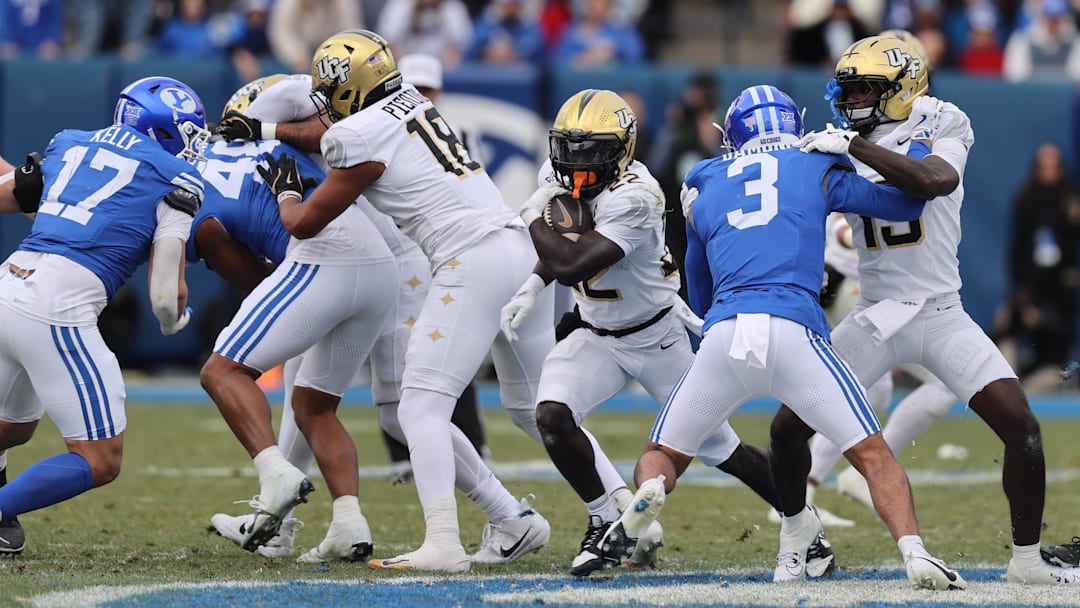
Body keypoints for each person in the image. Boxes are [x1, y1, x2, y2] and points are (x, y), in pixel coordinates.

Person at [595, 83, 965, 590]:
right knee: (872, 454)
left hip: (726, 332)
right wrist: (916, 146)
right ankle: (914, 551)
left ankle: (653, 488)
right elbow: (905, 205)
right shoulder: (814, 162)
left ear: (733, 134)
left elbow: (699, 286)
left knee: (664, 451)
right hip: (794, 329)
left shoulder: (703, 178)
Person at [218, 32, 556, 571]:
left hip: (408, 269)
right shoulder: (396, 110)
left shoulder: (356, 128)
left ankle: (505, 516)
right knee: (312, 395)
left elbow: (314, 182)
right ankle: (284, 521)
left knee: (406, 410)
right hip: (399, 264)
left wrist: (269, 143)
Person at [788, 34, 1079, 585]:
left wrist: (854, 148)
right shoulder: (839, 141)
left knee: (1022, 429)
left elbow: (934, 180)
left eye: (865, 89)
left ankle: (1026, 562)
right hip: (874, 313)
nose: (852, 101)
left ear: (902, 88)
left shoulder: (942, 119)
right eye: (848, 90)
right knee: (786, 430)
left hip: (941, 311)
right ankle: (798, 538)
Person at [502, 88, 829, 578]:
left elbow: (571, 262)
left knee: (725, 452)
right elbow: (561, 246)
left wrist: (531, 215)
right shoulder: (561, 175)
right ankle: (603, 516)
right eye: (569, 147)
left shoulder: (637, 195)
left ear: (622, 148)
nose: (576, 161)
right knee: (551, 414)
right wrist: (532, 284)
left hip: (657, 337)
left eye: (591, 150)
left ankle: (807, 527)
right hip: (595, 332)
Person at [0, 76, 206, 553]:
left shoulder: (68, 143)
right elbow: (164, 295)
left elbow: (14, 192)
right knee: (100, 458)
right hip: (58, 305)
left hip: (9, 281)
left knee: (12, 428)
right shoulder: (178, 177)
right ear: (166, 130)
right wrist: (175, 321)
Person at [994, 141, 1080, 393]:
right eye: (1044, 166)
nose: (1049, 172)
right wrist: (1022, 302)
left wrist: (1045, 313)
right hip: (1028, 290)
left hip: (1059, 293)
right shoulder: (1025, 200)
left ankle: (1032, 386)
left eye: (1054, 166)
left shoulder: (1070, 201)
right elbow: (1018, 252)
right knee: (1005, 330)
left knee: (1056, 369)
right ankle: (1005, 385)